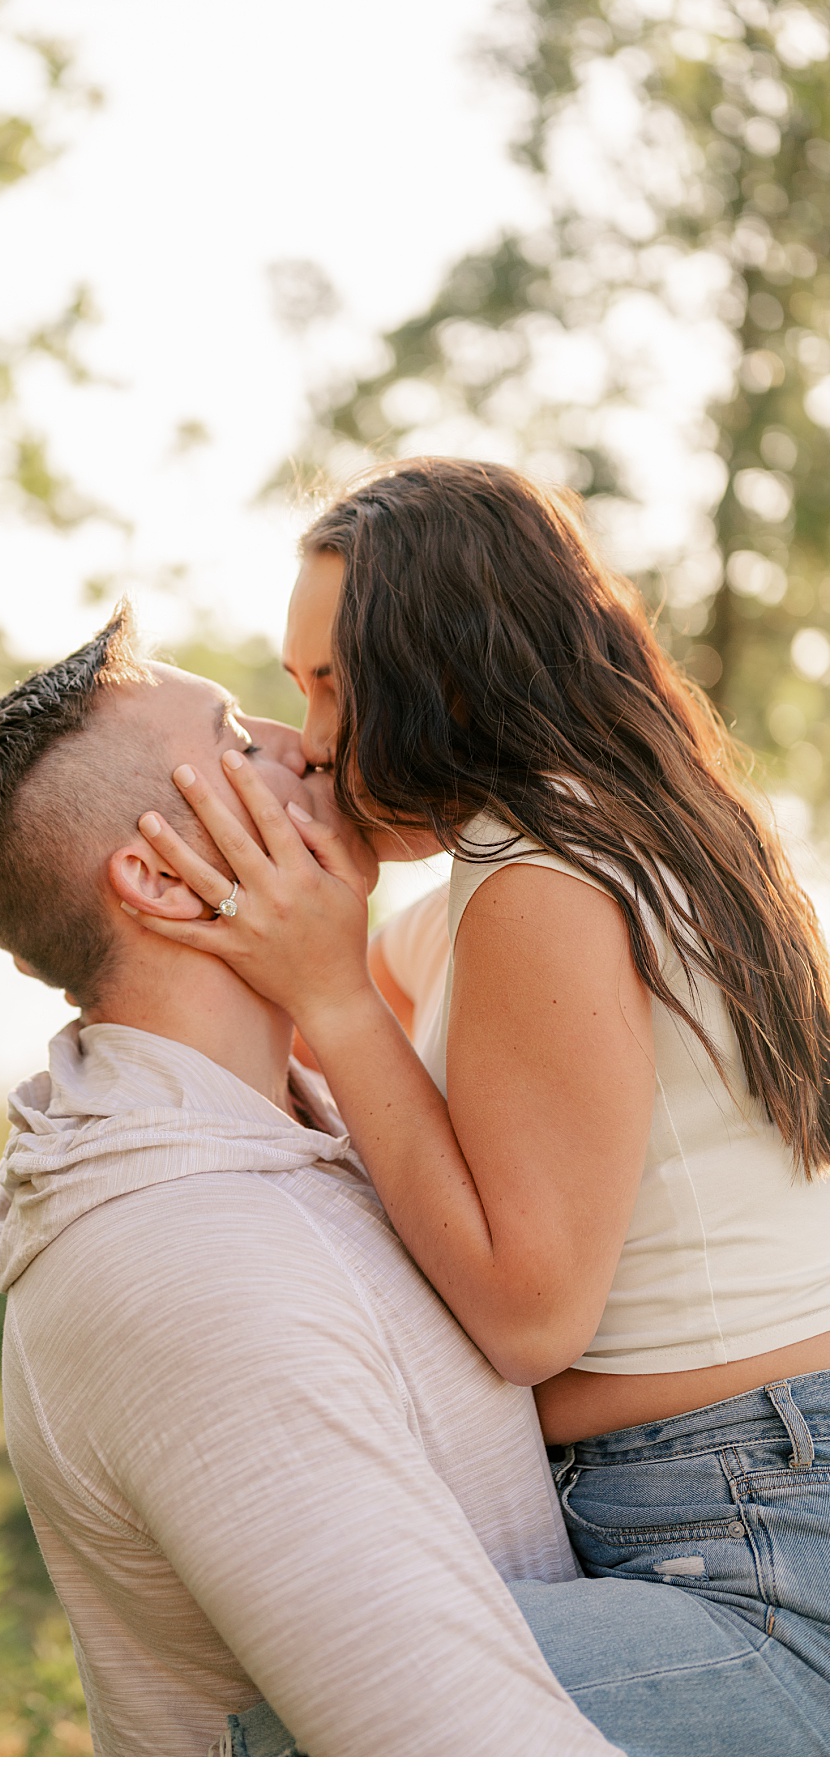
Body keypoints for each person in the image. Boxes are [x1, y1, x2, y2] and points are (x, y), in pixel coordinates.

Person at [128, 458, 829, 1755]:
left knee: (299, 1732)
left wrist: (331, 996)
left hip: (753, 1553)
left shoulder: (549, 878)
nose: (317, 738)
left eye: (335, 683)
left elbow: (528, 1312)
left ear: (449, 668)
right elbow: (358, 1092)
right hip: (683, 1503)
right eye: (294, 691)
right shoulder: (505, 879)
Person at [0, 611, 619, 1758]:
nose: (306, 743)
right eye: (240, 740)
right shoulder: (180, 1266)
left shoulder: (299, 1124)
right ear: (162, 880)